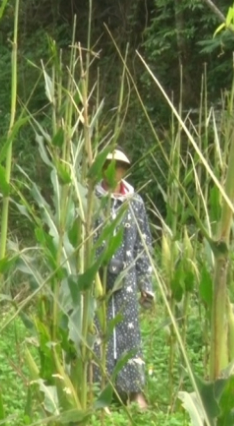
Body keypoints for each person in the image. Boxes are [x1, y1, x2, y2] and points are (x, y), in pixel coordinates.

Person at [93, 148, 156, 410]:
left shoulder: (135, 202)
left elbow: (144, 245)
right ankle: (98, 389)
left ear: (124, 170)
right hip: (97, 279)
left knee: (129, 334)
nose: (114, 170)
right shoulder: (92, 200)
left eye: (119, 166)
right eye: (109, 165)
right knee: (98, 332)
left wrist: (146, 284)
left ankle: (133, 391)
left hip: (127, 280)